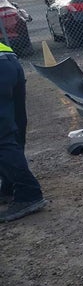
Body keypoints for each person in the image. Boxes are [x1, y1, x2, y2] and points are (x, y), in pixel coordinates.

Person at [0, 40, 46, 221]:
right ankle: (11, 185)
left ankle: (29, 193)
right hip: (9, 61)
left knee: (2, 138)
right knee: (15, 127)